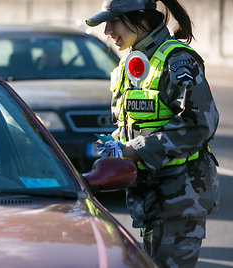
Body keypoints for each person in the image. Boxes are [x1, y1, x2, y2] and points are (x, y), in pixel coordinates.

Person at [86, 0, 219, 267]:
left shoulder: (177, 60)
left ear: (143, 19)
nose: (107, 31)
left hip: (180, 198)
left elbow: (200, 123)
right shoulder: (131, 63)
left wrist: (135, 150)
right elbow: (141, 123)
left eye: (114, 21)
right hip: (150, 197)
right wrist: (115, 142)